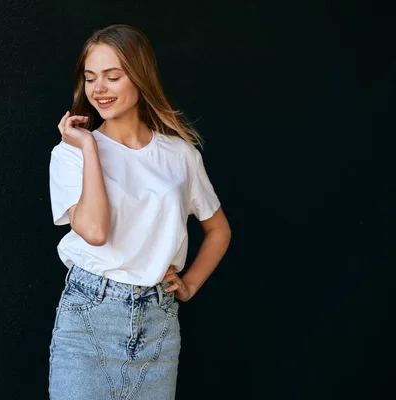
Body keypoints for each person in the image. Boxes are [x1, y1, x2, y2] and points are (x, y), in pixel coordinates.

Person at [48, 24, 231, 400]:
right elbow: (96, 230)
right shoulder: (70, 153)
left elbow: (219, 230)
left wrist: (190, 284)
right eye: (90, 78)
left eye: (112, 76)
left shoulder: (180, 156)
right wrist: (89, 147)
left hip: (158, 324)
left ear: (140, 76)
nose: (99, 89)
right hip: (89, 318)